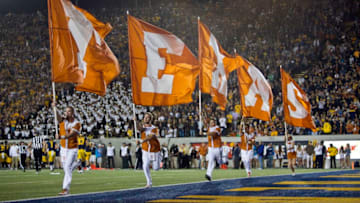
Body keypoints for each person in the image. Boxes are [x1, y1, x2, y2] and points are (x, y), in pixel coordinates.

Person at [53, 103, 81, 195]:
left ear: (72, 112)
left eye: (69, 111)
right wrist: (55, 107)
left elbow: (72, 134)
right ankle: (76, 164)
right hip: (63, 148)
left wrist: (61, 137)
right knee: (66, 168)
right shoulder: (62, 121)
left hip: (72, 148)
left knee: (67, 167)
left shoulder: (76, 123)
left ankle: (65, 188)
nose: (67, 112)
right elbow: (57, 117)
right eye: (66, 111)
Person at [136, 112, 161, 188]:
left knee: (156, 168)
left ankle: (160, 158)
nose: (145, 118)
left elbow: (150, 137)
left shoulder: (154, 129)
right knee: (145, 165)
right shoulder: (143, 128)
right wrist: (136, 121)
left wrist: (141, 141)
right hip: (145, 150)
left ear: (150, 119)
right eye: (145, 117)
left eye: (147, 117)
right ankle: (149, 183)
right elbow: (139, 128)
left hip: (155, 150)